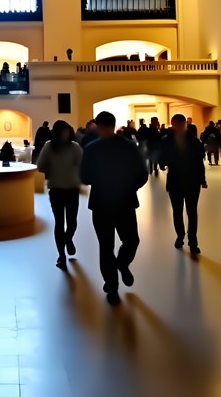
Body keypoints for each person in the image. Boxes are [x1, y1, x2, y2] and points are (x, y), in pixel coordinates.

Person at [79, 111, 149, 305]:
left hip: (102, 203)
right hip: (124, 202)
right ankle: (119, 269)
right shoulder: (128, 147)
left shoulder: (91, 149)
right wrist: (128, 186)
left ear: (99, 126)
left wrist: (101, 180)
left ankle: (112, 280)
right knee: (130, 240)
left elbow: (84, 177)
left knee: (107, 246)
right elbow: (142, 174)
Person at [37, 120, 83, 271]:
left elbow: (83, 164)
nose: (65, 134)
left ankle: (68, 239)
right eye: (62, 132)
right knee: (59, 222)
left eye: (67, 131)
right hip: (56, 189)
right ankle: (61, 256)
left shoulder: (75, 147)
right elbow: (41, 166)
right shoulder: (49, 146)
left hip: (72, 189)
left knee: (72, 222)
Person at [159, 114, 207, 254]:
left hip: (177, 181)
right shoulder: (194, 141)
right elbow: (199, 163)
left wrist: (202, 179)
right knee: (189, 212)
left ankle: (184, 238)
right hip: (190, 182)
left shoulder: (168, 141)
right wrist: (202, 179)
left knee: (180, 211)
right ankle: (190, 240)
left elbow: (162, 160)